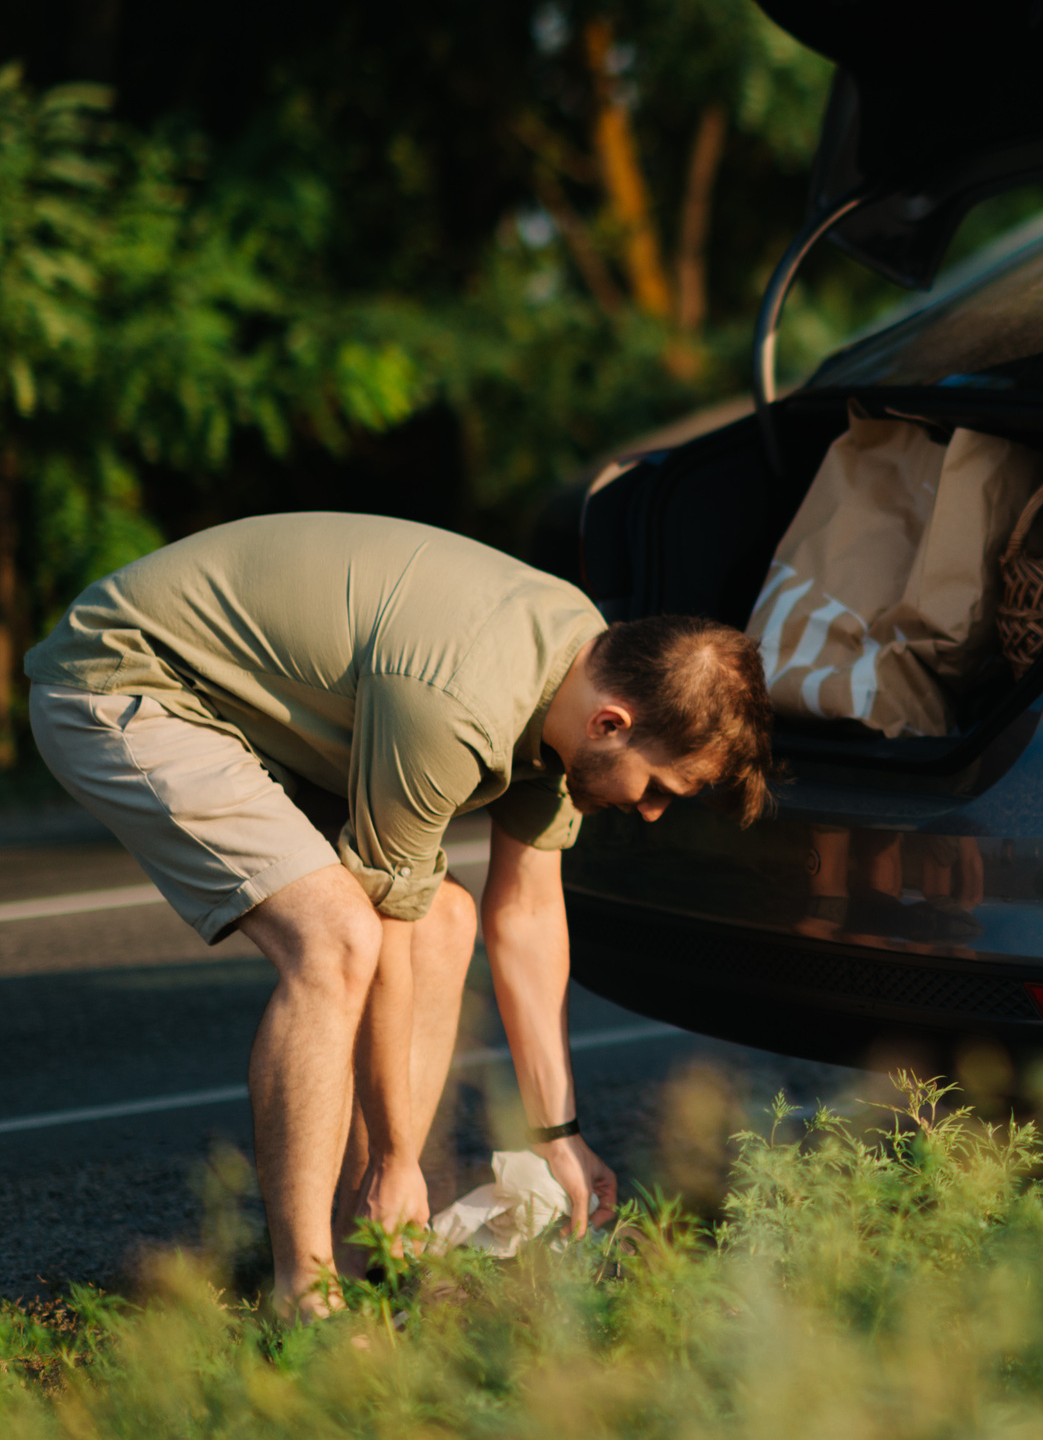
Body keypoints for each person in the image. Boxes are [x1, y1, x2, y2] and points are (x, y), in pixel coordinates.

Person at [22, 513, 774, 1316]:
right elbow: (381, 924)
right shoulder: (456, 706)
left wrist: (560, 1136)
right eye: (660, 788)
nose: (652, 811)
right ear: (612, 723)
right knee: (336, 936)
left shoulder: (582, 670)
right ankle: (306, 1298)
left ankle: (364, 1262)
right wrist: (394, 1153)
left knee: (444, 920)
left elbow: (525, 914)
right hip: (125, 683)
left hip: (248, 710)